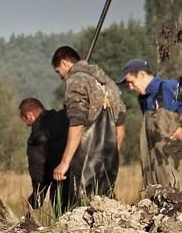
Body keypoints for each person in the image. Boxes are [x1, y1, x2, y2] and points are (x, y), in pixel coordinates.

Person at [115, 59, 182, 190]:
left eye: (131, 82)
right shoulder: (143, 98)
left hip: (174, 158)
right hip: (153, 162)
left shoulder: (168, 87)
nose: (130, 87)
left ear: (142, 74)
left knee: (181, 194)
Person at [51, 46, 127, 200]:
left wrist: (64, 162)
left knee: (82, 209)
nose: (62, 77)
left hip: (85, 161)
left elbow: (77, 123)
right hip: (110, 161)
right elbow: (120, 125)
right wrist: (113, 154)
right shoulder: (109, 84)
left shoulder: (75, 81)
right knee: (105, 206)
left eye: (59, 72)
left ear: (64, 63)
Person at [18, 97, 82, 215]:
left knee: (66, 222)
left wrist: (37, 199)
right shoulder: (68, 118)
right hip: (85, 178)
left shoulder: (36, 138)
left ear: (30, 115)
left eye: (27, 123)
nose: (29, 126)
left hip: (61, 186)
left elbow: (39, 171)